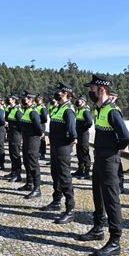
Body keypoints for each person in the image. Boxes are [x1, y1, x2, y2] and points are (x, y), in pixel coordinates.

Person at [77, 74, 129, 256]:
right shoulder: (100, 108)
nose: (89, 91)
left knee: (111, 199)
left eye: (92, 88)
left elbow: (126, 137)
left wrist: (113, 150)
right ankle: (98, 228)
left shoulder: (112, 111)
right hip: (99, 158)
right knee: (98, 195)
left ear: (101, 89)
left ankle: (115, 240)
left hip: (109, 160)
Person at [41, 82, 78, 225]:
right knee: (55, 173)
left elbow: (71, 129)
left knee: (64, 176)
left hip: (63, 146)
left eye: (59, 91)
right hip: (55, 145)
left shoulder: (68, 109)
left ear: (65, 93)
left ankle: (70, 209)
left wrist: (69, 141)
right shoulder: (58, 108)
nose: (57, 93)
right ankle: (56, 201)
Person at [19, 91, 44, 199]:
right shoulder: (26, 110)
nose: (23, 99)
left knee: (33, 164)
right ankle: (29, 184)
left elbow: (39, 128)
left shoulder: (33, 112)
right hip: (26, 140)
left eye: (25, 98)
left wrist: (39, 135)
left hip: (32, 140)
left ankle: (37, 188)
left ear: (30, 99)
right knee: (26, 161)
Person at [72, 94, 93, 179]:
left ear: (83, 102)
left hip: (83, 135)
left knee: (84, 153)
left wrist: (82, 129)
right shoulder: (79, 110)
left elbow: (89, 122)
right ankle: (80, 169)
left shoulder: (85, 111)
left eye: (79, 100)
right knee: (79, 152)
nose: (77, 101)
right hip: (78, 135)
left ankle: (87, 171)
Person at [4, 94, 23, 182]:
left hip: (16, 135)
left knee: (16, 155)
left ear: (14, 100)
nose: (8, 99)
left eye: (10, 98)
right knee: (12, 154)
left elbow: (20, 124)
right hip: (11, 134)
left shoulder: (18, 110)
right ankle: (13, 171)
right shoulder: (12, 109)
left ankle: (18, 174)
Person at [35, 94, 48, 161]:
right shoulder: (35, 106)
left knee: (42, 140)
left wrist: (39, 121)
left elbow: (45, 119)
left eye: (39, 99)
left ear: (41, 100)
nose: (37, 100)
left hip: (41, 125)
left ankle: (42, 154)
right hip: (35, 125)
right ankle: (38, 152)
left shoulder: (42, 107)